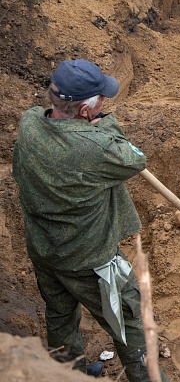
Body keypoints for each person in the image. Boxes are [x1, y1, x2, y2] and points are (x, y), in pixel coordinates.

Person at [12, 59, 168, 381]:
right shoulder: (96, 148)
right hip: (90, 260)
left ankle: (69, 374)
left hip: (45, 250)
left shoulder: (29, 123)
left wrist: (87, 124)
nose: (105, 103)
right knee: (131, 321)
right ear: (85, 111)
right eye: (100, 100)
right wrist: (102, 123)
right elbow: (135, 158)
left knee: (60, 317)